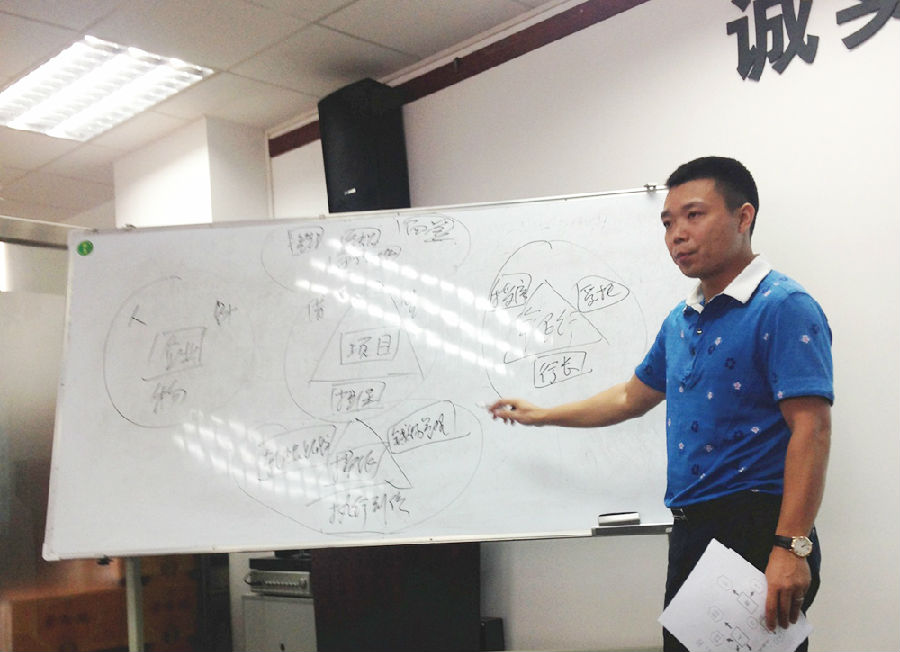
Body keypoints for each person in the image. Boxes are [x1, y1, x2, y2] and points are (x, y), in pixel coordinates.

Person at [488, 156, 832, 651]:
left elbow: (812, 429)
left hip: (758, 527)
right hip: (693, 526)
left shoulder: (781, 305)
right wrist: (542, 415)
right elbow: (631, 396)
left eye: (694, 215)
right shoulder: (682, 320)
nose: (677, 235)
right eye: (668, 222)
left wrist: (791, 546)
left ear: (743, 217)